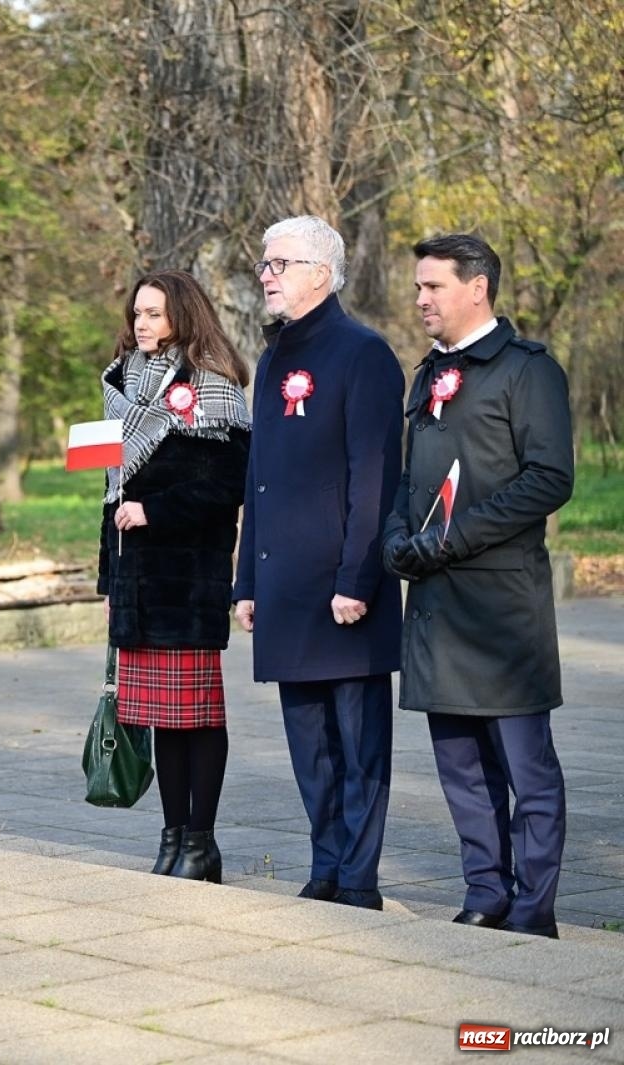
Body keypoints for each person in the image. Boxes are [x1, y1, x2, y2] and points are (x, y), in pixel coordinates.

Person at [382, 234, 573, 937]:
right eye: (419, 286)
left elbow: (549, 478)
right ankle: (485, 891)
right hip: (436, 602)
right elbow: (410, 476)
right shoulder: (427, 373)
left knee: (528, 768)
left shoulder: (528, 372)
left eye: (433, 286)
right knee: (460, 765)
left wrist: (453, 539)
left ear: (477, 287)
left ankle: (533, 906)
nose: (421, 298)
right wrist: (395, 535)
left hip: (502, 605)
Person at [232, 215, 404, 910]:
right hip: (284, 587)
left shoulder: (362, 353)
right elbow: (258, 478)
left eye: (280, 263)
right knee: (310, 746)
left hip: (342, 589)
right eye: (265, 263)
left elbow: (376, 477)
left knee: (359, 748)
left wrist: (357, 579)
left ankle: (358, 879)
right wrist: (245, 580)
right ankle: (326, 865)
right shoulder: (274, 357)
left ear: (321, 274)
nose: (266, 274)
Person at [97, 270, 252, 883]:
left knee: (197, 715)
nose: (142, 324)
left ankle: (202, 842)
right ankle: (171, 838)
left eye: (155, 314)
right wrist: (110, 581)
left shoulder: (212, 388)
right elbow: (109, 496)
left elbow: (228, 485)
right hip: (136, 582)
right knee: (160, 718)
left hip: (188, 578)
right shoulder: (119, 387)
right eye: (137, 312)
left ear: (183, 317)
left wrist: (155, 511)